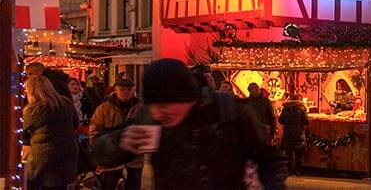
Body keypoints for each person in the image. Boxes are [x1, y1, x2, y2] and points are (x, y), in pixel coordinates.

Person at [91, 58, 288, 189]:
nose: (159, 112)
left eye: (166, 104)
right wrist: (119, 143)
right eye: (153, 105)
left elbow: (271, 160)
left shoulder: (229, 111)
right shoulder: (154, 119)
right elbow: (99, 152)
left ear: (187, 97)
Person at [23, 75, 79, 190]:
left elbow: (21, 130)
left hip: (44, 157)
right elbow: (76, 123)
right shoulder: (66, 103)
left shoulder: (33, 111)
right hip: (68, 152)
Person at [89, 78, 142, 190]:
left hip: (134, 156)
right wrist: (100, 150)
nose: (126, 92)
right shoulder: (104, 109)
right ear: (115, 90)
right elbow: (94, 131)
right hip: (111, 156)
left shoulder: (140, 108)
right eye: (122, 89)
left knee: (134, 185)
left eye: (129, 89)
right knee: (108, 185)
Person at [278, 93, 309, 176]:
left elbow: (280, 120)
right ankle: (298, 171)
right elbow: (306, 121)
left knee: (288, 154)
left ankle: (289, 171)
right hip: (299, 135)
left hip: (287, 134)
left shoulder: (285, 109)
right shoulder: (302, 109)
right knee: (299, 155)